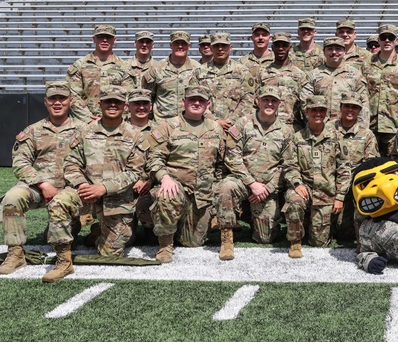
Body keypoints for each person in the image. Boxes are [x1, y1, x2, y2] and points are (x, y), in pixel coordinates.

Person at [44, 87, 146, 281]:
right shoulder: (84, 132)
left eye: (117, 102)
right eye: (108, 102)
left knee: (109, 254)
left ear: (125, 107)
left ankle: (99, 233)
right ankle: (64, 262)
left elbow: (134, 172)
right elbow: (71, 163)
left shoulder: (135, 135)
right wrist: (82, 184)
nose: (112, 105)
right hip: (85, 193)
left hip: (116, 199)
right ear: (100, 105)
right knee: (59, 202)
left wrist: (104, 188)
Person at [145, 84, 246, 262]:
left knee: (192, 242)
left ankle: (224, 238)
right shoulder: (169, 127)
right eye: (192, 99)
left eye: (201, 100)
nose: (196, 103)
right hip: (179, 189)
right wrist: (165, 178)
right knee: (167, 194)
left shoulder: (216, 129)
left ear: (208, 105)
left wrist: (221, 185)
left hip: (204, 193)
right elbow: (154, 159)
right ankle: (165, 245)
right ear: (184, 102)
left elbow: (224, 161)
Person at [0, 81, 83, 276]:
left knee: (62, 216)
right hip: (39, 187)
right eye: (53, 99)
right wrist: (43, 184)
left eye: (62, 98)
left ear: (71, 101)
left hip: (73, 188)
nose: (57, 102)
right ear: (45, 102)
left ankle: (67, 247)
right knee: (12, 198)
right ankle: (16, 254)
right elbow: (20, 163)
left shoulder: (85, 130)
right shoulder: (33, 131)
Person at [217, 86, 298, 248]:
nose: (269, 104)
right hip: (242, 181)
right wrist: (252, 184)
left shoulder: (286, 130)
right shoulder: (243, 123)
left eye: (273, 100)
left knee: (265, 238)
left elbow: (288, 165)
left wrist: (268, 188)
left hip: (267, 186)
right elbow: (232, 156)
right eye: (265, 100)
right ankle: (227, 237)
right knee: (226, 187)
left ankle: (253, 216)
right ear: (257, 101)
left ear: (279, 104)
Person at [285, 95, 339, 256]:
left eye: (321, 110)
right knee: (294, 200)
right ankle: (295, 242)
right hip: (305, 190)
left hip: (325, 194)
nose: (318, 114)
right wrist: (297, 183)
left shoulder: (335, 137)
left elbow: (344, 168)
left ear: (326, 113)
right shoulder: (297, 138)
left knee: (318, 243)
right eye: (313, 110)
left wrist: (340, 197)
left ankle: (312, 223)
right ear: (306, 112)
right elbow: (289, 165)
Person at [364, 24, 398, 155]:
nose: (387, 40)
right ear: (379, 40)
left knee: (394, 164)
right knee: (371, 164)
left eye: (391, 37)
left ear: (396, 41)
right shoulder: (367, 63)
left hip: (395, 125)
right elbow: (360, 93)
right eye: (383, 37)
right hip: (370, 124)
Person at [333, 92, 378, 243]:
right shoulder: (328, 130)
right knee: (323, 236)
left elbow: (370, 165)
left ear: (359, 110)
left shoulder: (367, 134)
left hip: (356, 183)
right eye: (347, 106)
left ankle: (363, 239)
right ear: (340, 107)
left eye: (354, 107)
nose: (350, 110)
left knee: (348, 232)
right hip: (332, 181)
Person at [190, 32, 257, 130]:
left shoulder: (242, 72)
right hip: (205, 127)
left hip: (235, 127)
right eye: (216, 46)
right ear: (211, 48)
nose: (220, 49)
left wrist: (231, 122)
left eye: (224, 46)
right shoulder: (199, 72)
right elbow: (194, 99)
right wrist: (214, 120)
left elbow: (248, 100)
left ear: (230, 48)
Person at [66, 23, 132, 121]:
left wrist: (112, 117)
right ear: (94, 39)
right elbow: (74, 96)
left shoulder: (124, 67)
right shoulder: (80, 65)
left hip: (115, 122)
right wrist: (88, 118)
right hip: (86, 123)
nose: (104, 40)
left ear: (114, 40)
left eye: (108, 37)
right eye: (100, 37)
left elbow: (128, 97)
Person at [304, 36, 371, 127]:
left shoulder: (355, 75)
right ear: (324, 52)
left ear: (344, 52)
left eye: (338, 49)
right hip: (321, 128)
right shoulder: (313, 75)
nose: (334, 52)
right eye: (330, 49)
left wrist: (362, 129)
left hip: (347, 128)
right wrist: (315, 125)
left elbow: (363, 104)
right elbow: (306, 103)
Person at [142, 30, 201, 120]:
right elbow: (147, 97)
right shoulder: (157, 68)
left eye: (183, 43)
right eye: (176, 43)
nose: (180, 46)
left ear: (189, 46)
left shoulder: (197, 69)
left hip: (188, 124)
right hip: (163, 123)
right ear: (171, 45)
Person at [256, 31, 309, 129]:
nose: (281, 49)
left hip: (292, 127)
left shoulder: (300, 75)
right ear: (272, 48)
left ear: (290, 47)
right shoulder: (263, 73)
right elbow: (255, 101)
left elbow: (305, 105)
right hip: (267, 127)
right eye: (277, 45)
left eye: (284, 45)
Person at [125, 88, 156, 241]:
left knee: (154, 240)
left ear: (151, 106)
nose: (141, 107)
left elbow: (167, 160)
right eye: (136, 103)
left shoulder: (161, 130)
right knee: (124, 240)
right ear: (128, 106)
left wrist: (149, 180)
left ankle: (150, 226)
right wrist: (130, 180)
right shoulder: (117, 129)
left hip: (151, 185)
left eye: (145, 103)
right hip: (123, 187)